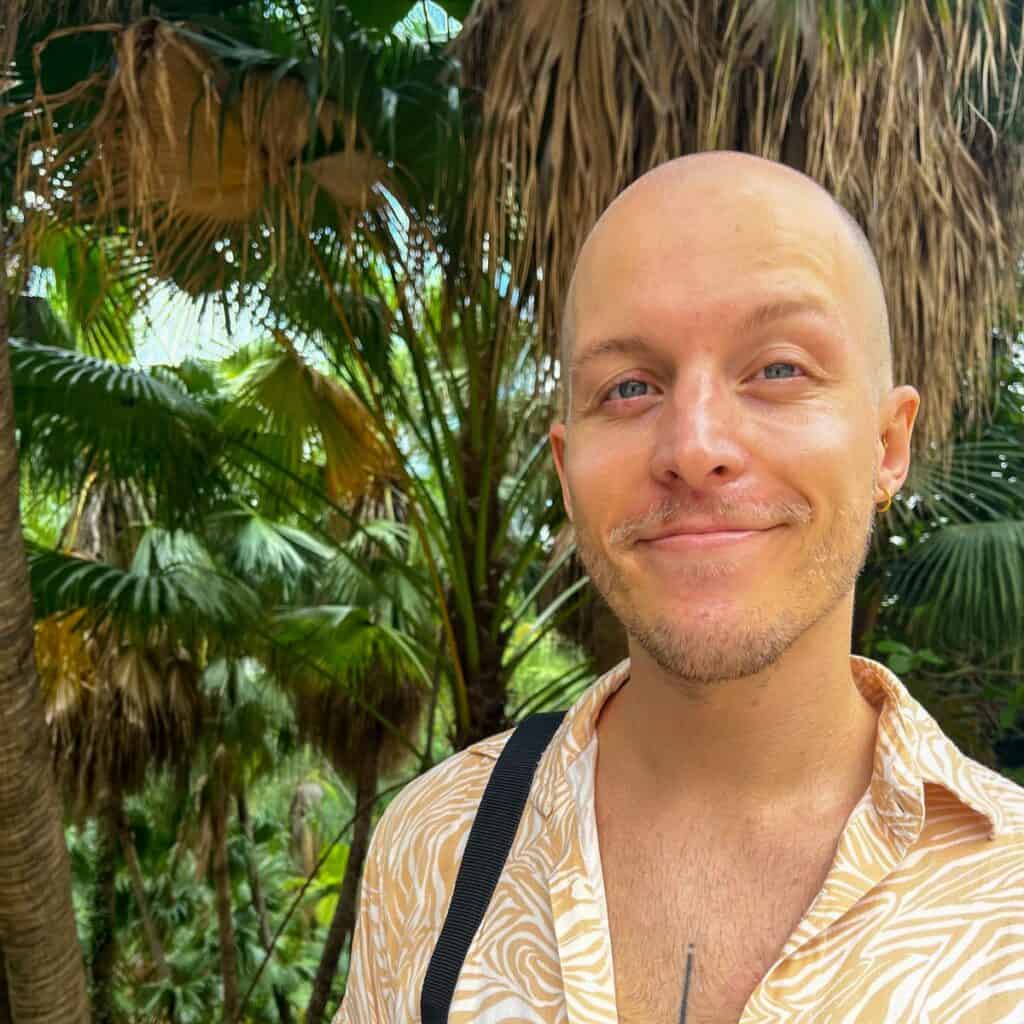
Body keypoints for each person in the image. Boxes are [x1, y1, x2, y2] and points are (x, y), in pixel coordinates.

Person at [335, 152, 1024, 1024]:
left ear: (887, 445)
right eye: (628, 387)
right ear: (567, 467)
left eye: (778, 369)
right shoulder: (435, 845)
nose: (694, 445)